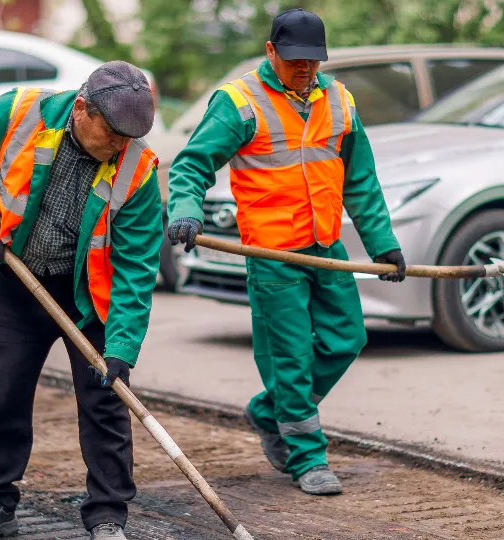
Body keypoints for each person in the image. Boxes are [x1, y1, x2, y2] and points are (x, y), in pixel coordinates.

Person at [166, 8, 406, 496]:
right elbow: (192, 165)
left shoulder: (338, 98)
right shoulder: (239, 102)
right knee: (291, 358)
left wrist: (383, 243)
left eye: (313, 61)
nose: (305, 70)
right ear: (271, 51)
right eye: (295, 60)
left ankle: (268, 410)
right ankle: (307, 457)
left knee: (347, 338)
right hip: (273, 252)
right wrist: (186, 210)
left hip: (325, 246)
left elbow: (360, 180)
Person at [0, 61, 163, 540]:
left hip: (89, 300)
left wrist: (122, 347)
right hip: (17, 282)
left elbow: (136, 269)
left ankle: (108, 516)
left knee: (107, 400)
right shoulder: (24, 112)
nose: (121, 146)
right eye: (113, 134)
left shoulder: (138, 171)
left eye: (131, 137)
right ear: (83, 109)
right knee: (1, 393)